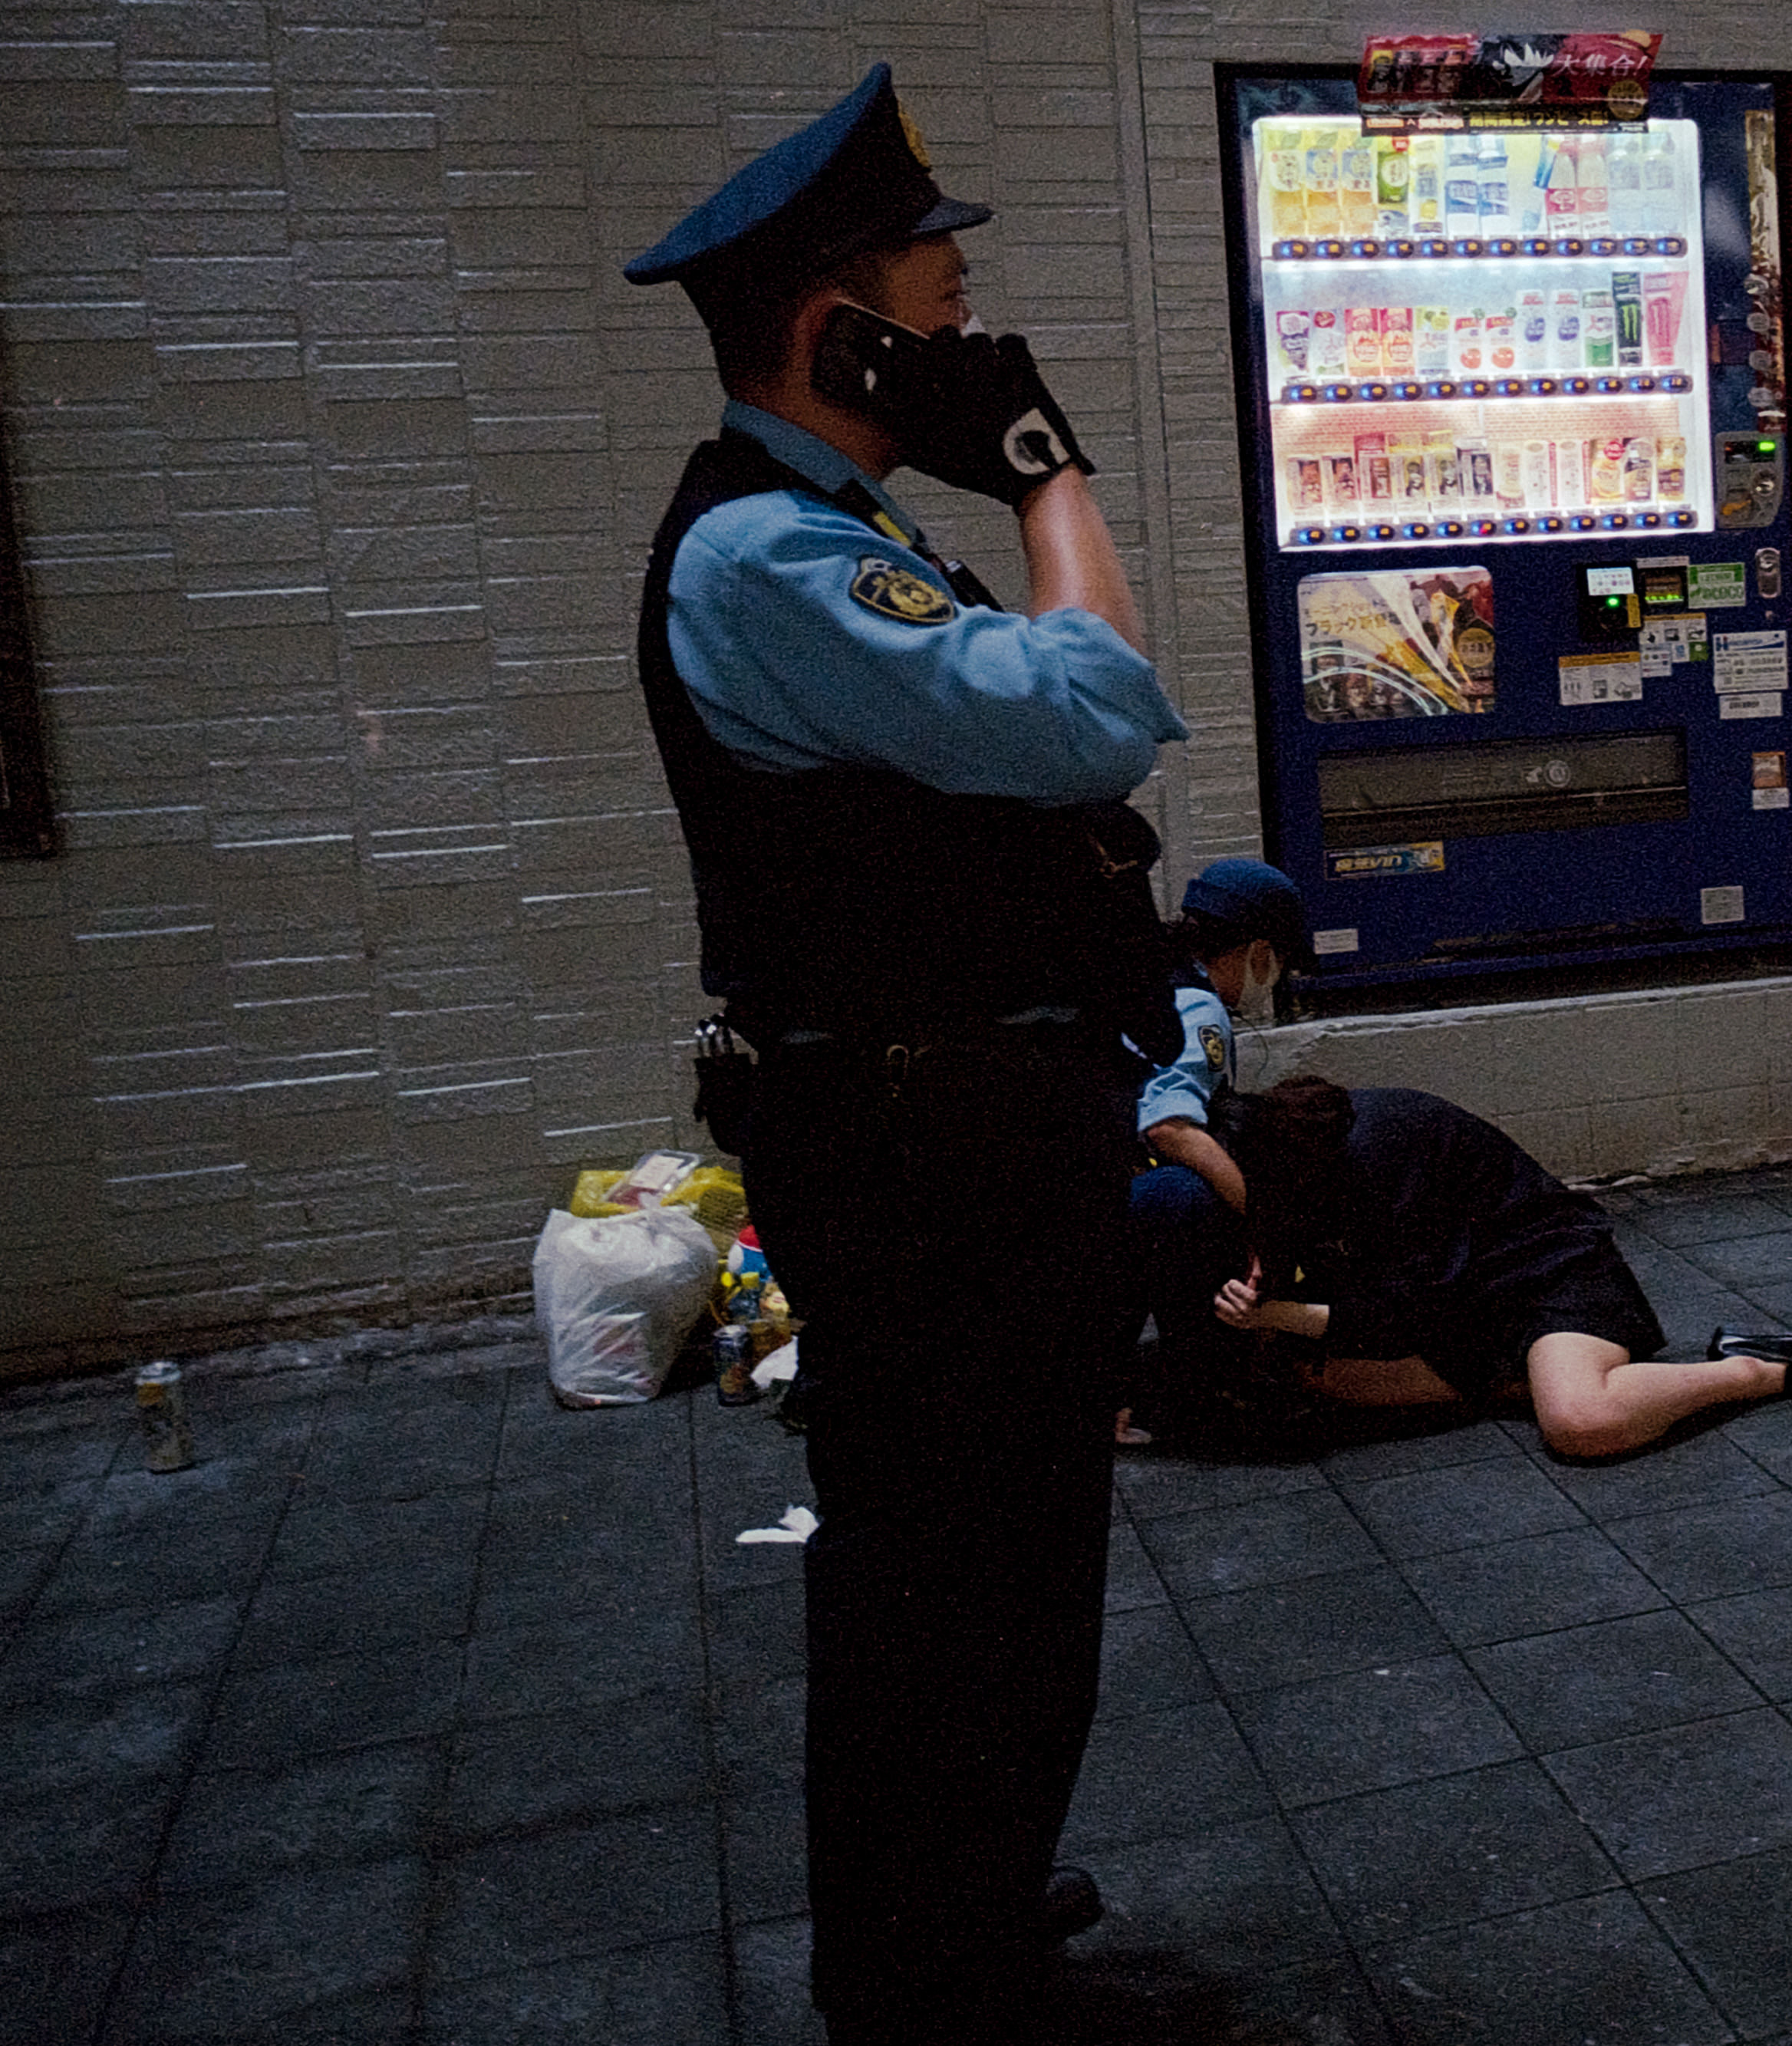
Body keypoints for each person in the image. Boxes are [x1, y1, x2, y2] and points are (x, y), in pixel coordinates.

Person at [623, 67, 1188, 2046]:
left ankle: (957, 1909)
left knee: (1003, 1558)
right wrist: (1045, 476)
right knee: (951, 1572)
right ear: (830, 322)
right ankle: (928, 1984)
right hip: (917, 1155)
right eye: (936, 289)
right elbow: (1093, 713)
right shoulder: (766, 558)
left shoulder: (831, 530)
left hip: (960, 1141)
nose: (968, 324)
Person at [1211, 1077, 1792, 1459]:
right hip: (1463, 1303)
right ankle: (1527, 1380)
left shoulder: (1375, 1152)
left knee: (1581, 1424)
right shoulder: (1295, 1166)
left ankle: (1754, 1369)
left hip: (1546, 1274)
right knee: (1320, 1377)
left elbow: (1402, 1310)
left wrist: (1285, 1314)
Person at [1122, 858, 1312, 1441]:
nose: (1275, 978)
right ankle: (1202, 1388)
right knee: (1188, 1199)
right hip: (1111, 1199)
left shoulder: (1152, 975)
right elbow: (1170, 1129)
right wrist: (1264, 1221)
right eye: (1277, 962)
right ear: (1258, 950)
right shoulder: (1198, 1006)